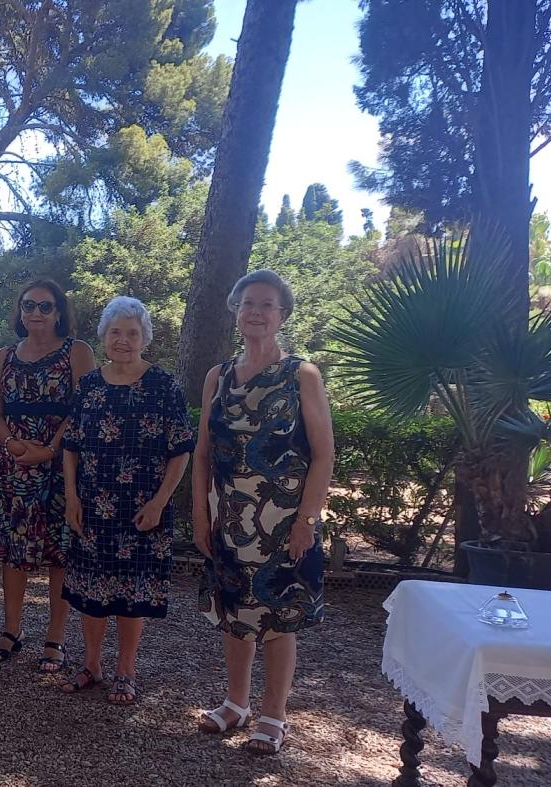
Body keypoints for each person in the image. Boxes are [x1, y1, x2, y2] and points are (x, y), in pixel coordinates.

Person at [194, 270, 334, 755]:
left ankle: (274, 714)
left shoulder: (302, 374)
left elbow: (323, 454)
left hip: (283, 523)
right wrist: (199, 514)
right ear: (236, 310)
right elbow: (203, 455)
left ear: (281, 315)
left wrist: (307, 521)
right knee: (235, 614)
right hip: (228, 518)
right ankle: (235, 703)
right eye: (247, 303)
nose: (255, 311)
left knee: (278, 618)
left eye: (266, 305)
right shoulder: (218, 376)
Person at [59, 297, 193, 703]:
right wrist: (71, 497)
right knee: (91, 590)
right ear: (104, 336)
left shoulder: (164, 385)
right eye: (115, 332)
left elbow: (181, 449)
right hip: (93, 505)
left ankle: (126, 670)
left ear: (145, 338)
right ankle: (92, 664)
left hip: (142, 510)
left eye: (132, 333)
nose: (123, 340)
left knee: (134, 592)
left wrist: (159, 502)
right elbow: (71, 446)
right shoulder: (90, 386)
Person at [0, 279, 95, 671]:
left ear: (60, 312)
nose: (35, 312)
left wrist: (49, 450)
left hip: (62, 466)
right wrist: (14, 445)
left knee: (58, 552)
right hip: (13, 466)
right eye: (28, 305)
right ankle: (11, 629)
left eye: (45, 307)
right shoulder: (4, 356)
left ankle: (56, 636)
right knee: (14, 551)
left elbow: (83, 407)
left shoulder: (76, 352)